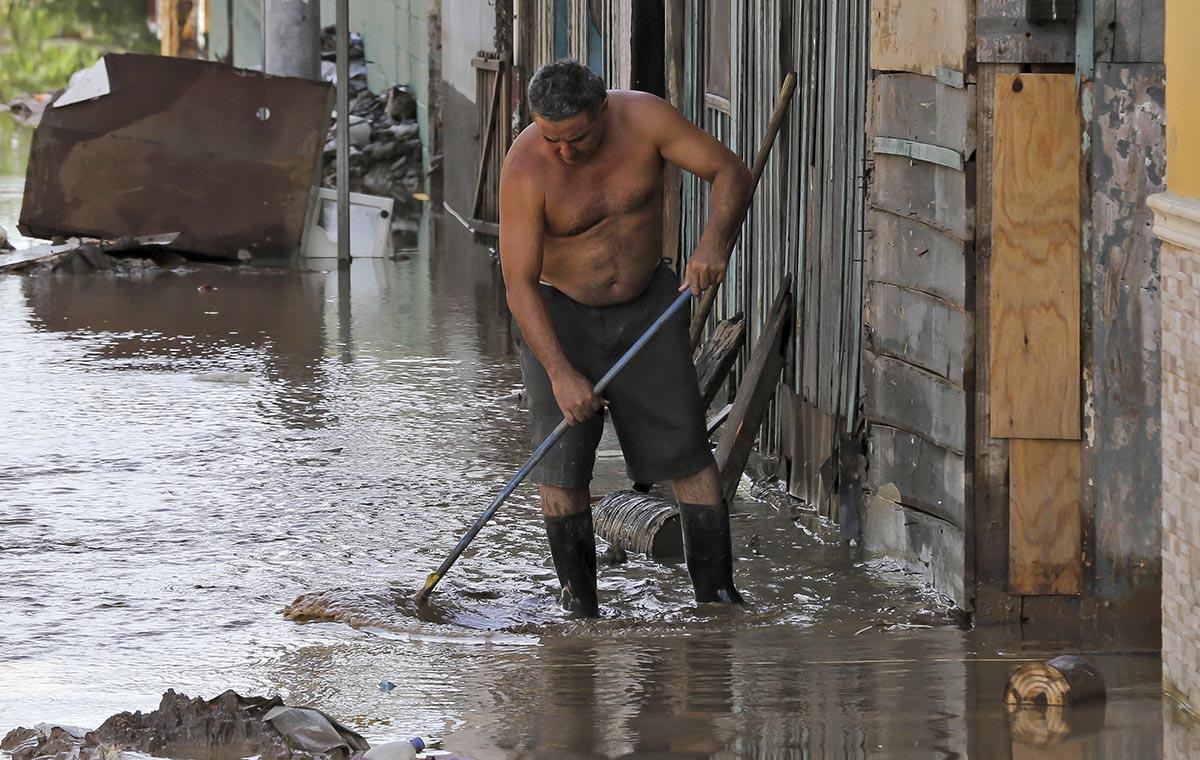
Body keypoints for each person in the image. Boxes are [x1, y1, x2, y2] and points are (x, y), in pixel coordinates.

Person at [498, 59, 752, 617]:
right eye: (551, 139)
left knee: (687, 453)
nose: (564, 151)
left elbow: (730, 171)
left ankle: (716, 596)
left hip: (647, 311)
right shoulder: (525, 168)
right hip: (558, 317)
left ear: (603, 110)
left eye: (578, 138)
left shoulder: (644, 118)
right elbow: (518, 285)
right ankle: (581, 603)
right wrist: (562, 374)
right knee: (561, 467)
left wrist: (714, 242)